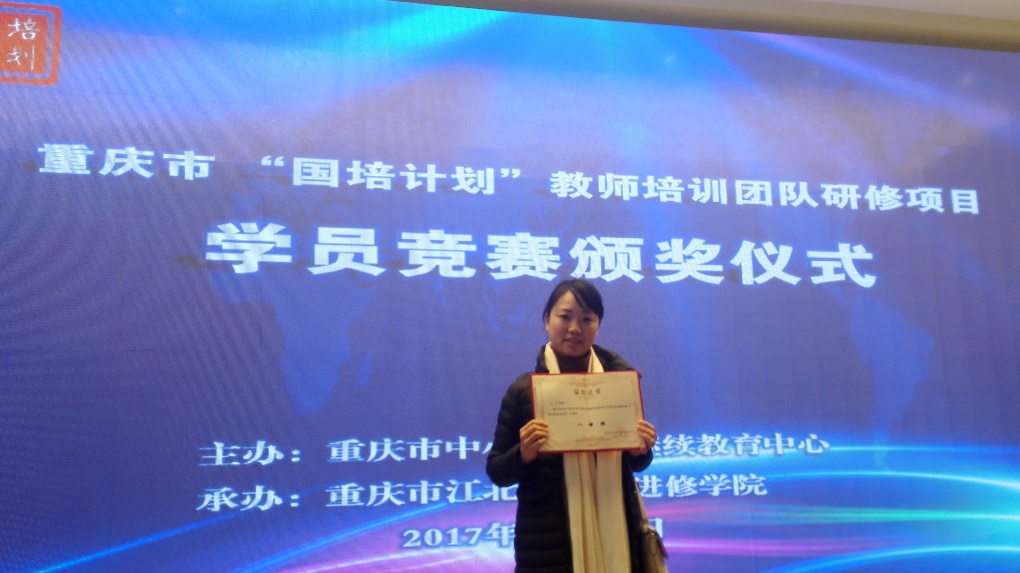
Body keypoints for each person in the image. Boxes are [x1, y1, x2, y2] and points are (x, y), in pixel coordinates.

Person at [486, 279, 658, 572]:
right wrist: (523, 454)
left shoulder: (619, 384)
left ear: (598, 325)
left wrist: (641, 448)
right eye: (565, 317)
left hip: (616, 530)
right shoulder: (523, 391)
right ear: (547, 320)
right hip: (547, 545)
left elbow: (636, 464)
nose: (575, 328)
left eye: (587, 319)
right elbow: (497, 471)